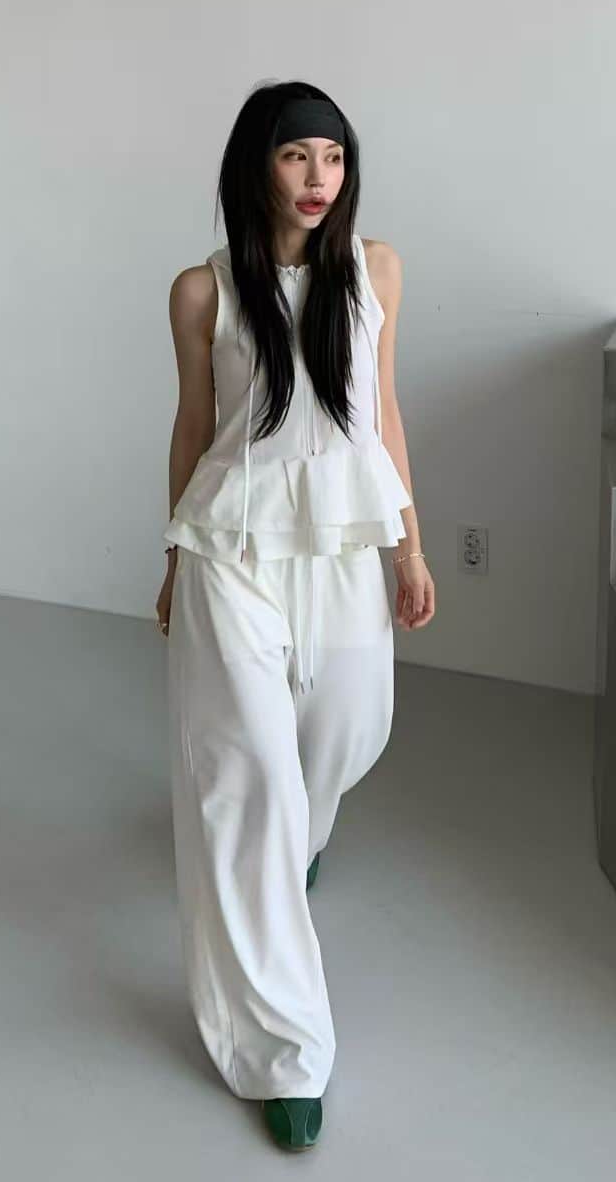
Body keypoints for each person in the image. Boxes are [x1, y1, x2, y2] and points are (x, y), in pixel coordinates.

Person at [154, 80, 436, 1152]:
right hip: (231, 547)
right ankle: (283, 1050)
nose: (319, 178)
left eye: (334, 156)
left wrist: (409, 544)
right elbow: (194, 427)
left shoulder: (376, 270)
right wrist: (173, 559)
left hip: (346, 540)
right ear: (256, 166)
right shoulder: (202, 290)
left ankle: (304, 836)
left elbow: (382, 413)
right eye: (295, 156)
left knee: (345, 730)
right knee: (248, 779)